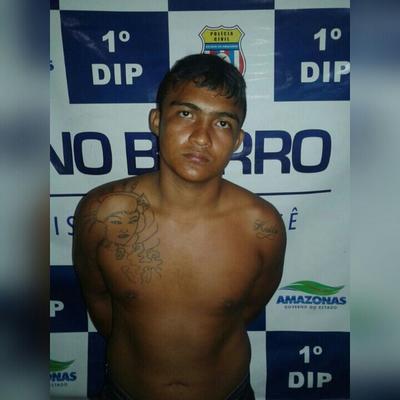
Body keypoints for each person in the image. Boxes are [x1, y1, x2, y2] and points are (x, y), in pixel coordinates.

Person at [73, 53, 286, 400]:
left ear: (237, 141)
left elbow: (247, 309)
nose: (201, 138)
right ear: (157, 120)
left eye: (222, 123)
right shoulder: (103, 214)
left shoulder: (261, 227)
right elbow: (97, 299)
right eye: (186, 114)